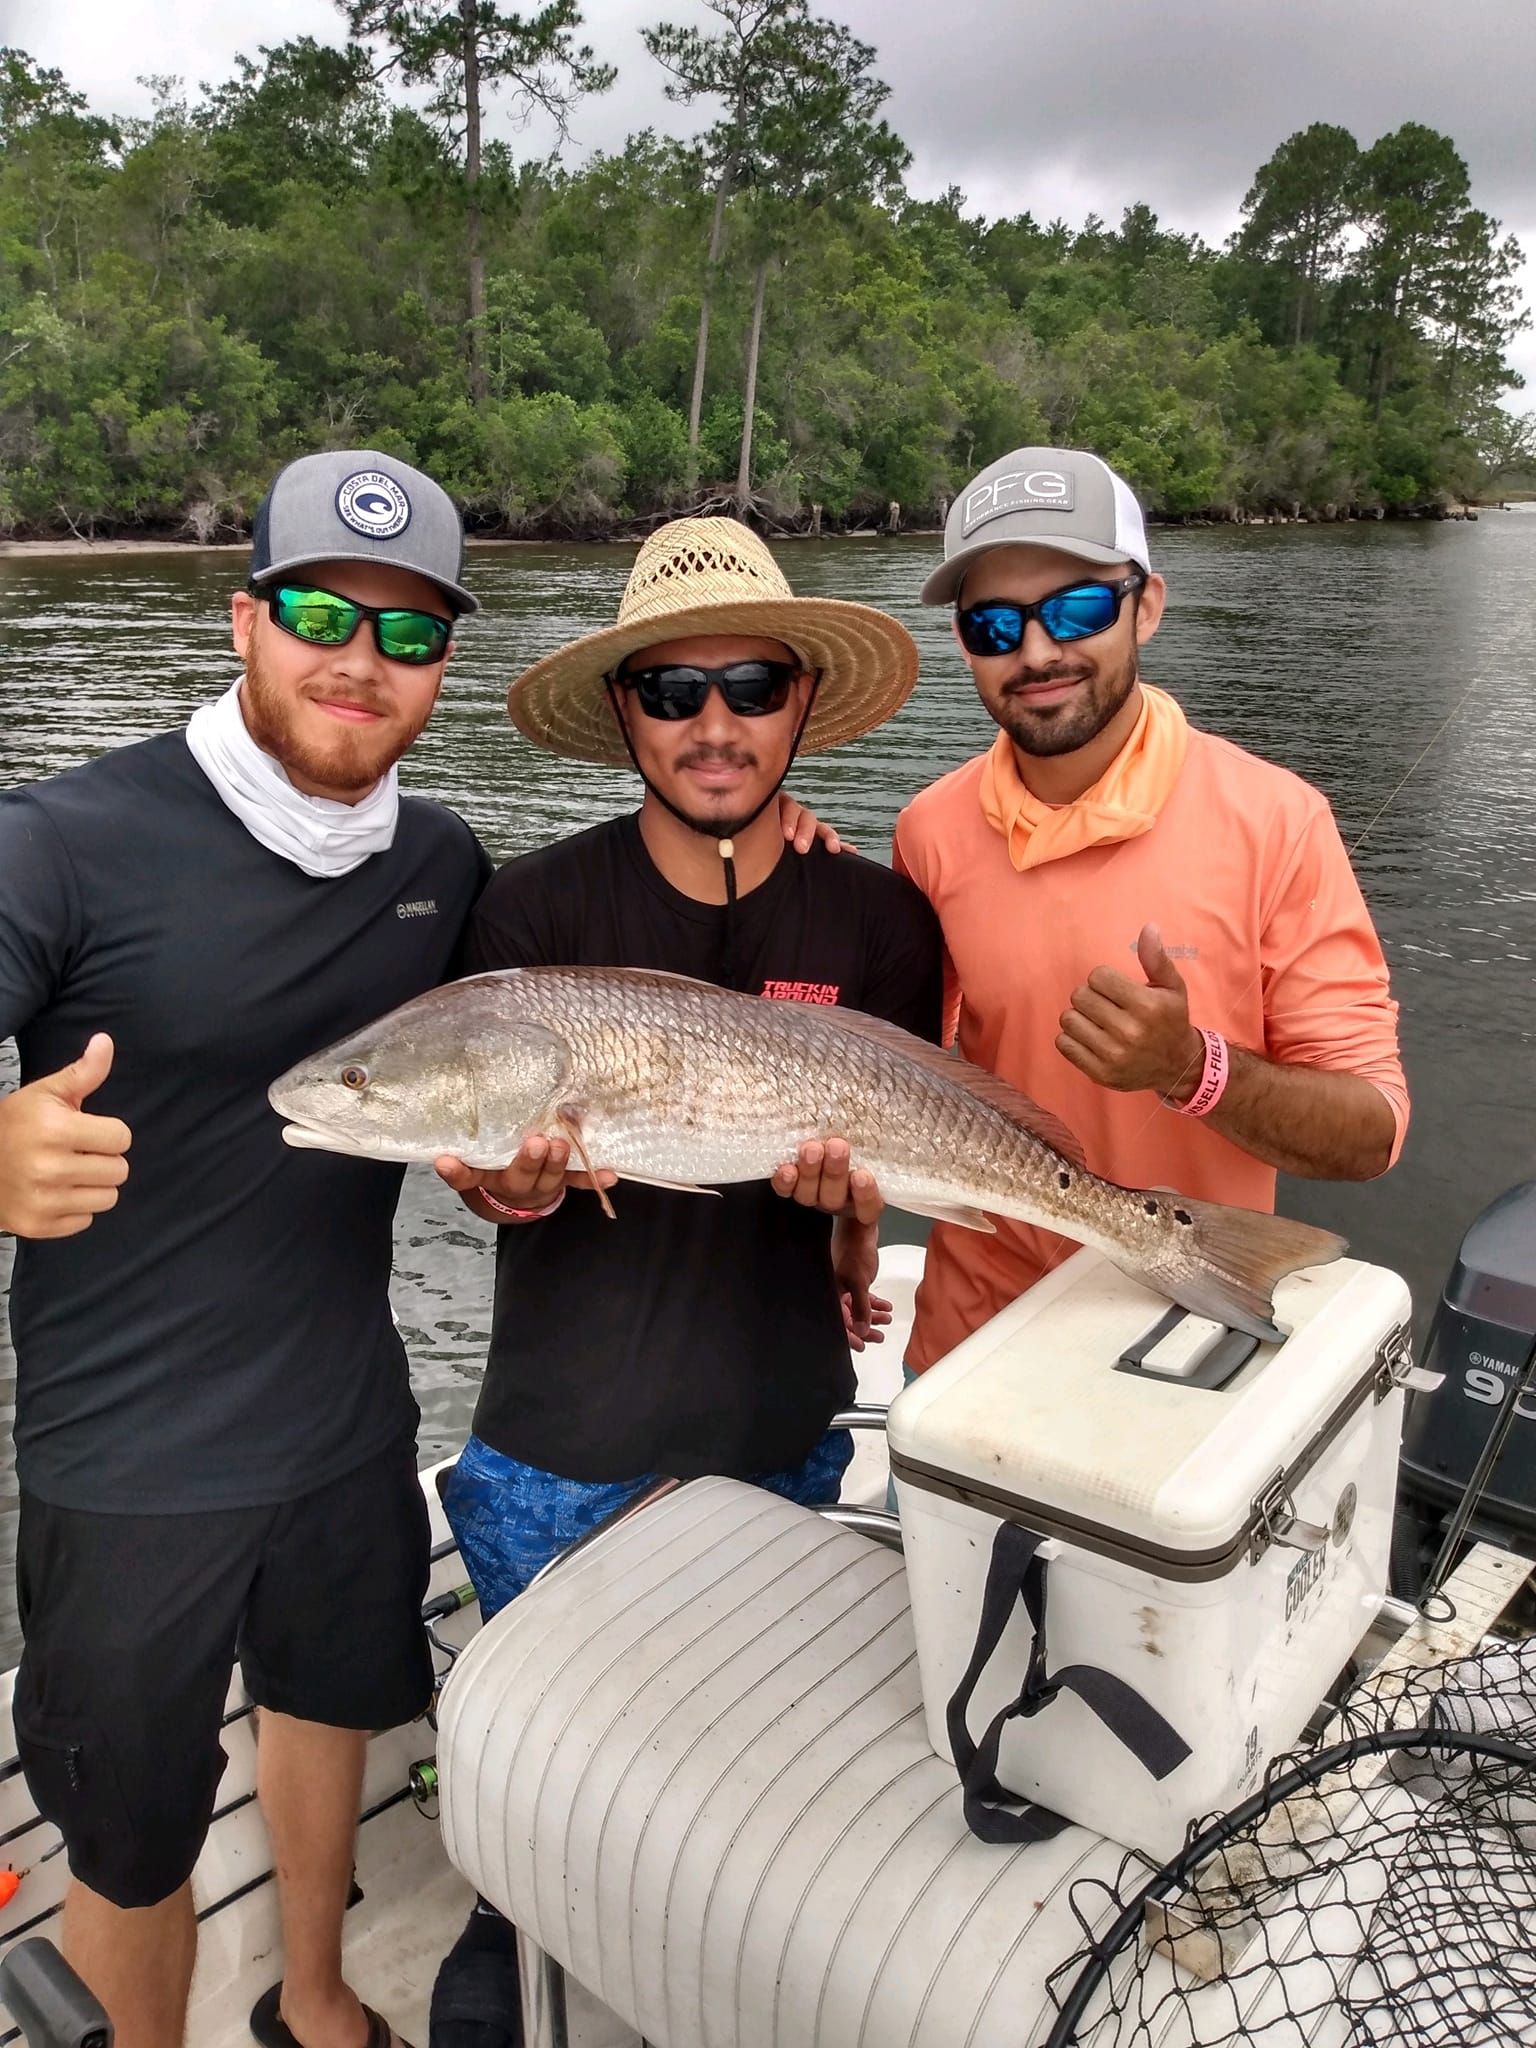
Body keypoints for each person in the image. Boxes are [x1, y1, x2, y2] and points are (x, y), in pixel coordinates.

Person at [0, 450, 490, 2048]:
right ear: (243, 619)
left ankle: (319, 1992)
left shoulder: (440, 868)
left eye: (407, 632)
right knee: (131, 1830)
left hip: (346, 1414)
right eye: (320, 615)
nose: (360, 660)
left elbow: (575, 1034)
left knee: (330, 1702)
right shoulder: (63, 841)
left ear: (442, 664)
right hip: (127, 1456)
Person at [435, 514, 942, 1607]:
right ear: (625, 708)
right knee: (543, 1720)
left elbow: (885, 1166)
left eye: (753, 687)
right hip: (556, 1450)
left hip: (785, 1433)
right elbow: (486, 1181)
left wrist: (856, 1225)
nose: (715, 727)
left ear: (802, 699)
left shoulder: (881, 919)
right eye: (671, 692)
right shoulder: (528, 910)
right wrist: (507, 1191)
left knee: (754, 1715)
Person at [893, 445, 1410, 1377]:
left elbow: (1373, 1130)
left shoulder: (1277, 820)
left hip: (1178, 1339)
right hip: (968, 1341)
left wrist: (1192, 1068)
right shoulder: (928, 830)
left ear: (1148, 606)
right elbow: (891, 1071)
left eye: (1078, 609)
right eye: (993, 624)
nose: (1037, 652)